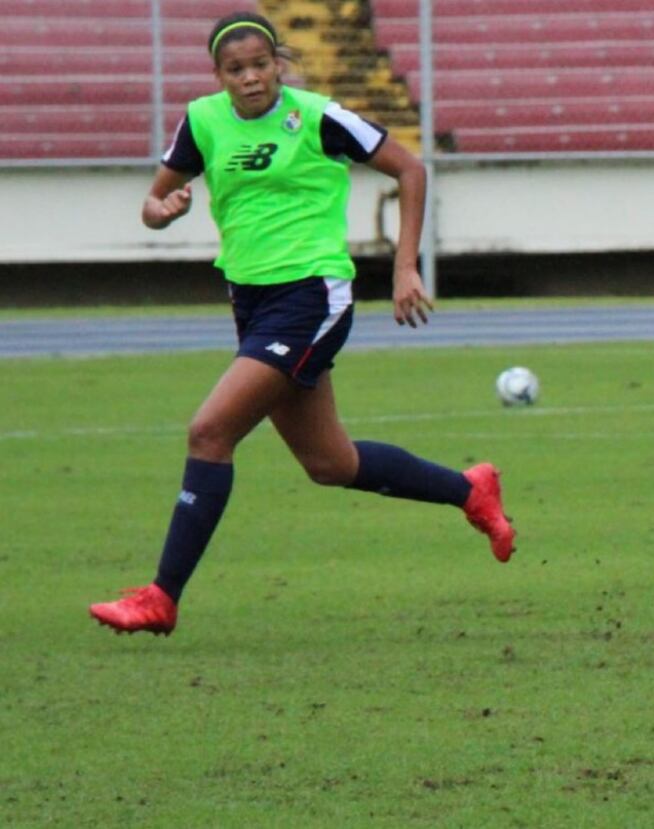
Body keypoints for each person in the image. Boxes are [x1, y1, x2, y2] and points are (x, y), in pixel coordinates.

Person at [89, 11, 515, 637]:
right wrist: (166, 209)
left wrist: (405, 268)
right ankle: (470, 491)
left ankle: (162, 597)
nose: (251, 78)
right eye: (236, 69)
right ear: (218, 75)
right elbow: (152, 203)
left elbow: (411, 168)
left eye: (261, 65)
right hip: (251, 302)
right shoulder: (202, 122)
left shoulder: (317, 116)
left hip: (312, 296)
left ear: (278, 64)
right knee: (330, 463)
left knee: (210, 431)